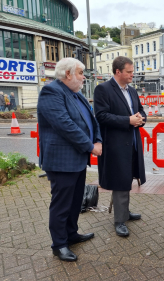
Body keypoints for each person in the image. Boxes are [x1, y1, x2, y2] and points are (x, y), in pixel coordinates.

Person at [37, 58, 102, 262]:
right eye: (81, 73)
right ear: (68, 74)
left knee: (75, 201)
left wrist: (98, 138)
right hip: (61, 160)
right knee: (62, 204)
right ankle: (59, 245)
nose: (84, 77)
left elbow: (92, 119)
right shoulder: (51, 92)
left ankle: (71, 234)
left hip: (77, 159)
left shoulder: (76, 93)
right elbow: (65, 125)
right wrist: (90, 146)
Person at [94, 57, 146, 237]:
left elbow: (140, 109)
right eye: (129, 72)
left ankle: (124, 212)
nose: (133, 75)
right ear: (118, 72)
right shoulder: (103, 89)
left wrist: (141, 119)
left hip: (132, 142)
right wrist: (128, 120)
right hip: (115, 145)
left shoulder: (131, 91)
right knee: (119, 181)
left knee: (128, 178)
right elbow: (101, 116)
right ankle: (119, 221)